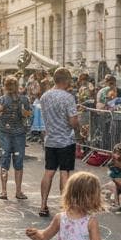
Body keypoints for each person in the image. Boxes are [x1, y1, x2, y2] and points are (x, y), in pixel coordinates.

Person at [38, 67, 80, 218]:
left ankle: (43, 205)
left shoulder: (44, 97)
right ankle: (64, 207)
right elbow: (73, 121)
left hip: (50, 139)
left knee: (49, 172)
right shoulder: (68, 98)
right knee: (64, 173)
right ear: (66, 80)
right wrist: (79, 130)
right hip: (65, 140)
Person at [0, 75, 33, 202]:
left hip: (5, 133)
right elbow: (29, 115)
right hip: (17, 134)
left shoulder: (2, 99)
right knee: (18, 162)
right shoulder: (22, 99)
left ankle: (4, 191)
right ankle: (18, 191)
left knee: (5, 161)